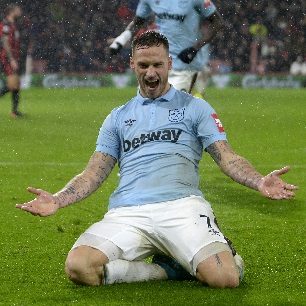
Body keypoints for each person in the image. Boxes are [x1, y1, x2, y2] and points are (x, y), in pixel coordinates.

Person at [16, 31, 299, 288]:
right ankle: (169, 271)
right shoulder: (117, 116)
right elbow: (93, 172)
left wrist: (258, 180)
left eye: (157, 65)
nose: (151, 73)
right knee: (79, 268)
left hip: (182, 207)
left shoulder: (195, 107)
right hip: (128, 213)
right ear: (132, 65)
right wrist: (59, 199)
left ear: (169, 64)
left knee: (225, 279)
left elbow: (226, 157)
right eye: (143, 66)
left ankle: (219, 251)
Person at [109, 0, 224, 94]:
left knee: (170, 107)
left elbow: (217, 22)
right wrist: (121, 40)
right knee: (146, 107)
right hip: (159, 61)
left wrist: (195, 48)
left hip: (185, 64)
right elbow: (137, 22)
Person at [0, 4, 23, 118]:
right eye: (18, 10)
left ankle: (15, 112)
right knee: (12, 84)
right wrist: (11, 59)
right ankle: (14, 112)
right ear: (11, 12)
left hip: (15, 57)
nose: (20, 12)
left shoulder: (14, 25)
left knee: (16, 84)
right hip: (8, 58)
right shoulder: (5, 24)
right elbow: (5, 43)